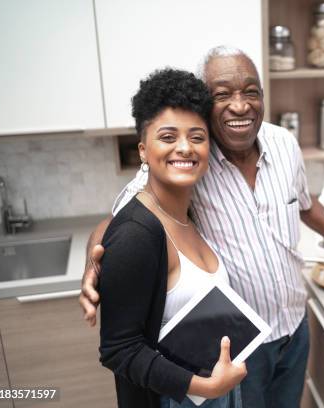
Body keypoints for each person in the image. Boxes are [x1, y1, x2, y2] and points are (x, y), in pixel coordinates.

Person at [82, 46, 324, 408]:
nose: (240, 106)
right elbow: (120, 220)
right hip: (238, 346)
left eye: (251, 91)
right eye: (223, 94)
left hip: (295, 328)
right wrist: (93, 266)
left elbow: (305, 203)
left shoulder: (283, 144)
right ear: (207, 105)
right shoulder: (190, 161)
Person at [98, 68, 246, 408]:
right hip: (176, 399)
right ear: (142, 150)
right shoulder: (136, 234)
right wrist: (203, 387)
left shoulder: (191, 213)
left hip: (215, 388)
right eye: (167, 137)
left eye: (197, 137)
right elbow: (118, 350)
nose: (185, 148)